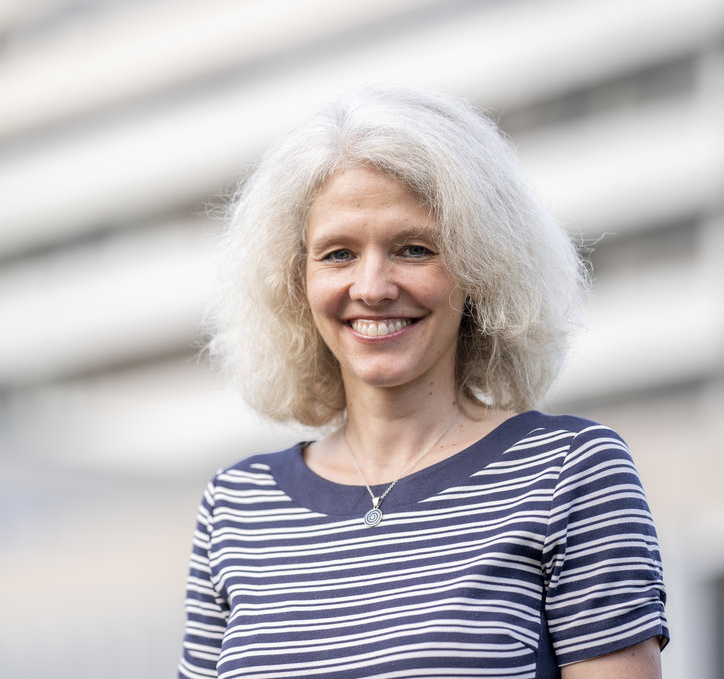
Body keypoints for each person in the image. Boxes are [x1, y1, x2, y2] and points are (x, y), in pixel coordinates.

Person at [178, 86, 668, 679]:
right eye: (337, 254)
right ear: (294, 283)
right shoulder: (236, 506)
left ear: (479, 270)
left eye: (414, 249)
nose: (373, 286)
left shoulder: (571, 472)